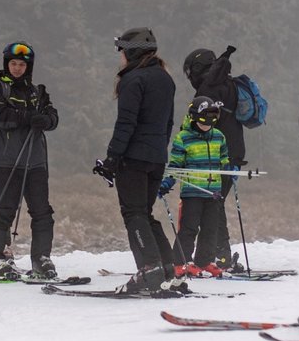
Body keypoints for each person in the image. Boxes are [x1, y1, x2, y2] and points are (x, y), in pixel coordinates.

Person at [94, 27, 179, 294]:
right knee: (145, 213)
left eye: (122, 51)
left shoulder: (134, 80)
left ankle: (149, 270)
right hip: (156, 156)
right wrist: (158, 150)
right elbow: (168, 123)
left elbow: (126, 124)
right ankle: (168, 269)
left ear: (132, 51)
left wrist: (111, 158)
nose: (120, 56)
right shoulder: (166, 79)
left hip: (134, 157)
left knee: (134, 214)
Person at [0, 42, 59, 280]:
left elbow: (53, 117)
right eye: (13, 64)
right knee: (4, 210)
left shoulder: (37, 92)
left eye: (21, 64)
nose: (17, 68)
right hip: (6, 160)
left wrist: (46, 121)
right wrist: (26, 117)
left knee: (42, 211)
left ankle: (41, 258)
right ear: (7, 65)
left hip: (35, 161)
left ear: (28, 66)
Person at [181, 46, 247, 272]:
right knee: (215, 204)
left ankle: (220, 256)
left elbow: (199, 124)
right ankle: (220, 255)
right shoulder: (229, 84)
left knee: (212, 205)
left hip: (215, 156)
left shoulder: (208, 87)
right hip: (234, 153)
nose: (190, 77)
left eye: (190, 72)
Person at [162, 96, 230, 278]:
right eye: (203, 122)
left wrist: (229, 167)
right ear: (194, 117)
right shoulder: (183, 138)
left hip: (213, 192)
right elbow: (176, 164)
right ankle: (179, 262)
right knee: (189, 228)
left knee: (210, 228)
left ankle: (204, 260)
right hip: (192, 192)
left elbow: (224, 159)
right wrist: (168, 181)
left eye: (211, 122)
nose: (207, 126)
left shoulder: (219, 136)